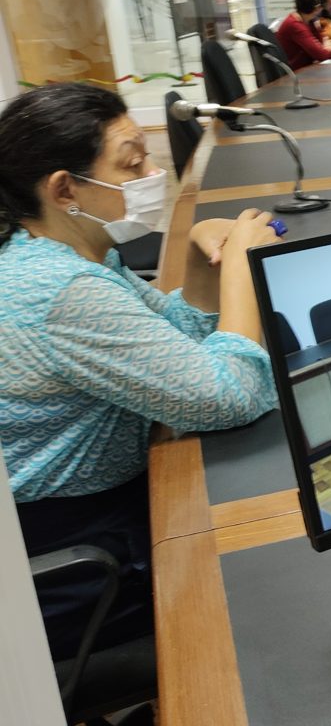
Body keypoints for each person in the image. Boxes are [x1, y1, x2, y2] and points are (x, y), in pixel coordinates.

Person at [0, 84, 281, 661]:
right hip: (76, 561)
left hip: (94, 511)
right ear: (64, 188)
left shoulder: (72, 253)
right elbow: (229, 395)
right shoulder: (60, 288)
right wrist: (246, 271)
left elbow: (172, 336)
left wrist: (210, 266)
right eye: (134, 163)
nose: (155, 173)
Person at [274, 0, 331, 69]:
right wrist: (329, 49)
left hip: (306, 69)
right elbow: (323, 55)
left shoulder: (309, 21)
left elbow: (321, 44)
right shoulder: (295, 25)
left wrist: (324, 48)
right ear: (317, 8)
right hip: (296, 74)